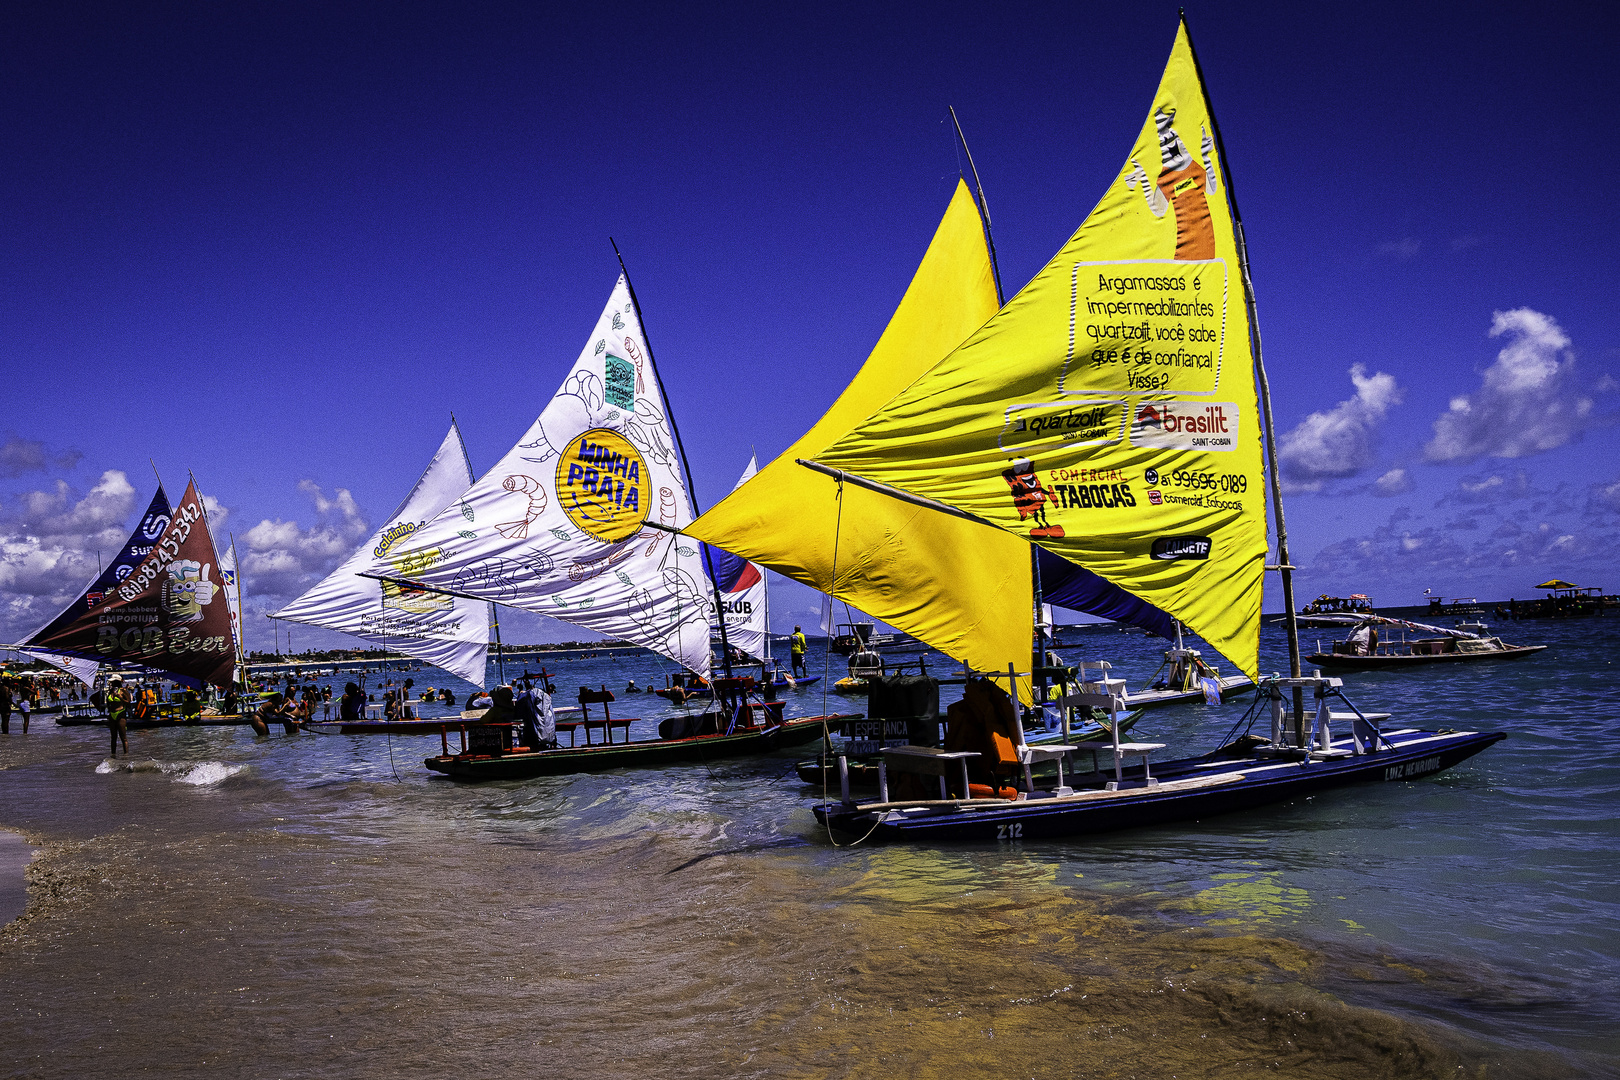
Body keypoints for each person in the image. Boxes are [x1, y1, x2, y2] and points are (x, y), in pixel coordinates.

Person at [106, 677, 130, 756]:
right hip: (112, 715)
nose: (111, 684)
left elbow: (128, 702)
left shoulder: (123, 690)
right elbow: (108, 703)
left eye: (112, 682)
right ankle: (113, 755)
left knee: (123, 737)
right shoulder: (111, 691)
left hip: (120, 714)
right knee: (113, 737)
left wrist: (120, 697)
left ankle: (126, 756)